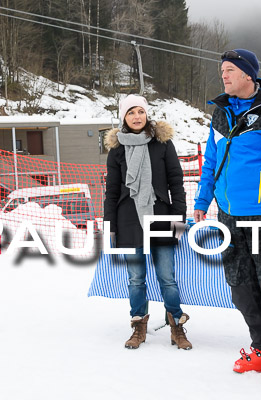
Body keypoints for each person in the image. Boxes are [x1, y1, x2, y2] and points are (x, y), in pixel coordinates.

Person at [193, 49, 261, 383]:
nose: (223, 76)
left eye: (229, 70)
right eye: (221, 71)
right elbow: (211, 162)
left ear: (247, 75)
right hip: (228, 215)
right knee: (240, 287)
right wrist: (202, 200)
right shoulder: (220, 114)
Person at [103, 94, 192, 350]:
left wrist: (179, 218)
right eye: (131, 113)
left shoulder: (162, 143)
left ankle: (176, 325)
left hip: (161, 216)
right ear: (124, 117)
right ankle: (138, 326)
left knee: (167, 277)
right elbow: (111, 190)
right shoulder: (117, 148)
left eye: (140, 112)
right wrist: (110, 224)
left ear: (146, 114)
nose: (136, 117)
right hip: (128, 219)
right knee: (135, 278)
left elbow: (176, 181)